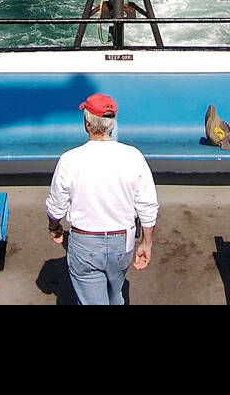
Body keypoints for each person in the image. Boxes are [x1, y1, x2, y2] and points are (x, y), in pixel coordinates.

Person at [46, 93, 159, 305]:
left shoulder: (69, 159)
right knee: (115, 294)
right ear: (112, 124)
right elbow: (147, 206)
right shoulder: (134, 156)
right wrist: (147, 242)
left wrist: (54, 226)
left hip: (84, 242)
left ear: (87, 123)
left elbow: (56, 206)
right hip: (122, 242)